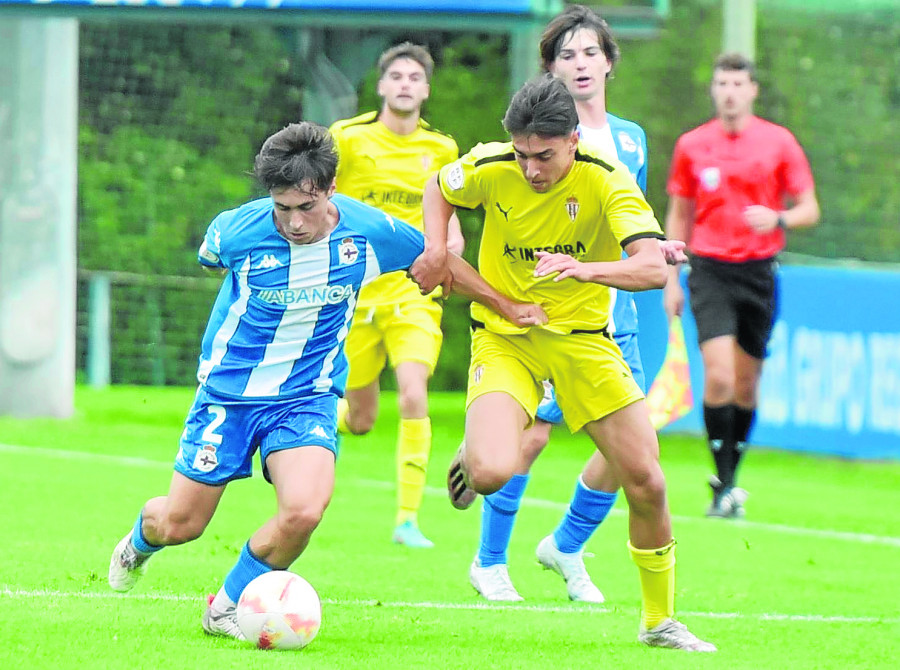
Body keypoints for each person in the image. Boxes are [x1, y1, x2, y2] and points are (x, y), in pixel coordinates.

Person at [106, 122, 546, 641]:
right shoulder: (235, 231)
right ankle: (137, 544)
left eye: (306, 207)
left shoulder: (370, 232)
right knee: (180, 525)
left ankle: (224, 607)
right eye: (282, 207)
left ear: (332, 188)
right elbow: (210, 263)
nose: (294, 222)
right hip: (228, 396)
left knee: (305, 511)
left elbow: (438, 261)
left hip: (307, 396)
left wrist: (505, 304)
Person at [410, 76, 716, 651]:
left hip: (582, 340)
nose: (530, 169)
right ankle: (480, 451)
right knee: (492, 472)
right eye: (523, 155)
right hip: (506, 336)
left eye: (544, 156)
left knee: (647, 481)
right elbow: (438, 186)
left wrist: (586, 269)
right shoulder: (492, 163)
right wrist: (435, 247)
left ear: (573, 141)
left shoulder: (607, 179)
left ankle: (659, 621)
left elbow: (652, 269)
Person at [467, 4, 679, 605]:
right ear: (550, 69)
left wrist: (658, 250)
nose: (580, 63)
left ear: (609, 62)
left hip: (612, 317)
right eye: (567, 54)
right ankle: (490, 562)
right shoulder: (529, 142)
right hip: (535, 316)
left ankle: (566, 543)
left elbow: (628, 228)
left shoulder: (630, 139)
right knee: (524, 441)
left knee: (633, 454)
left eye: (590, 52)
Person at [664, 53, 819, 518]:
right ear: (713, 90)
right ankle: (723, 482)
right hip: (709, 269)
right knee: (719, 375)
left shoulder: (778, 142)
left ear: (752, 90)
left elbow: (809, 207)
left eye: (737, 83)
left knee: (747, 385)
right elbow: (679, 213)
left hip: (759, 271)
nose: (729, 92)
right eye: (721, 83)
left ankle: (731, 478)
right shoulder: (692, 145)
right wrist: (672, 275)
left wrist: (778, 217)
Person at [329, 43, 464, 549]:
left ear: (426, 90)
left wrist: (450, 247)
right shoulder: (347, 139)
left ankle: (407, 519)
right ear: (381, 86)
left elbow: (448, 220)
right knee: (361, 420)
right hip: (354, 294)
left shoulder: (443, 150)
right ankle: (330, 426)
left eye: (415, 77)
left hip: (413, 293)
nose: (406, 83)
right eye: (396, 76)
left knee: (413, 391)